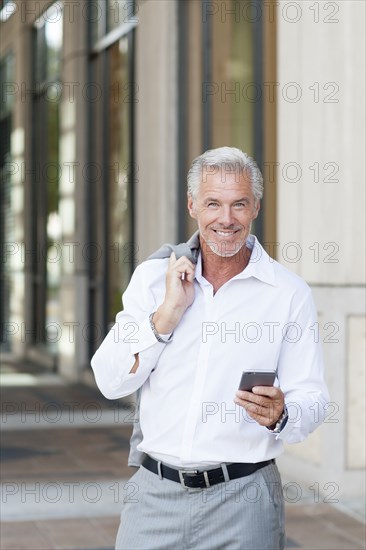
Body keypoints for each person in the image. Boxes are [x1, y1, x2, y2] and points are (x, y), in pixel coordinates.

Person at [91, 147, 329, 550]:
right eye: (213, 203)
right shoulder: (153, 279)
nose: (226, 218)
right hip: (154, 496)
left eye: (239, 204)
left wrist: (282, 413)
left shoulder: (288, 294)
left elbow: (314, 397)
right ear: (192, 206)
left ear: (255, 207)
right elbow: (109, 381)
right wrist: (166, 314)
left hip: (245, 498)